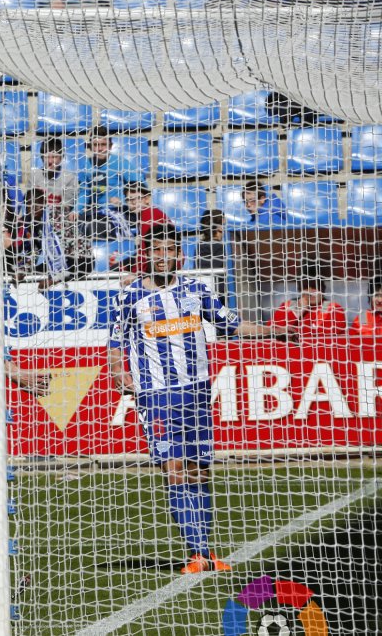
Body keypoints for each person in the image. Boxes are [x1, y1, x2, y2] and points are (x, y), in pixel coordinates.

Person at [108, 222, 288, 574]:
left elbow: (232, 326)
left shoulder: (197, 290)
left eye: (169, 250)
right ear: (146, 254)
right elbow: (115, 343)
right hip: (156, 394)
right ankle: (195, 552)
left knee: (198, 470)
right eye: (156, 250)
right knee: (173, 469)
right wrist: (119, 372)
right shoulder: (129, 296)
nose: (162, 256)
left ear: (181, 255)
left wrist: (273, 331)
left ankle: (206, 551)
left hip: (197, 390)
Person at [268, 264, 348, 342]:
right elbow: (270, 330)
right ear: (300, 289)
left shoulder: (334, 308)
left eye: (314, 286)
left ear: (322, 289)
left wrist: (294, 331)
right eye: (305, 286)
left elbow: (327, 335)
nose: (310, 290)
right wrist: (296, 311)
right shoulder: (288, 305)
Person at [78, 126, 141, 214]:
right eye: (95, 145)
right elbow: (84, 191)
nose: (100, 149)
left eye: (103, 144)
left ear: (110, 146)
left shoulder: (121, 163)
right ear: (90, 147)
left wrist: (122, 200)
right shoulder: (86, 165)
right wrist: (76, 210)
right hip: (96, 212)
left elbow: (140, 186)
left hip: (119, 210)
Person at [26, 136, 81, 215]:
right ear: (42, 157)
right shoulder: (34, 176)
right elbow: (29, 204)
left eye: (54, 157)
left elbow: (67, 207)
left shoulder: (70, 178)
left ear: (61, 158)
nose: (50, 161)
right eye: (47, 157)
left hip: (58, 218)